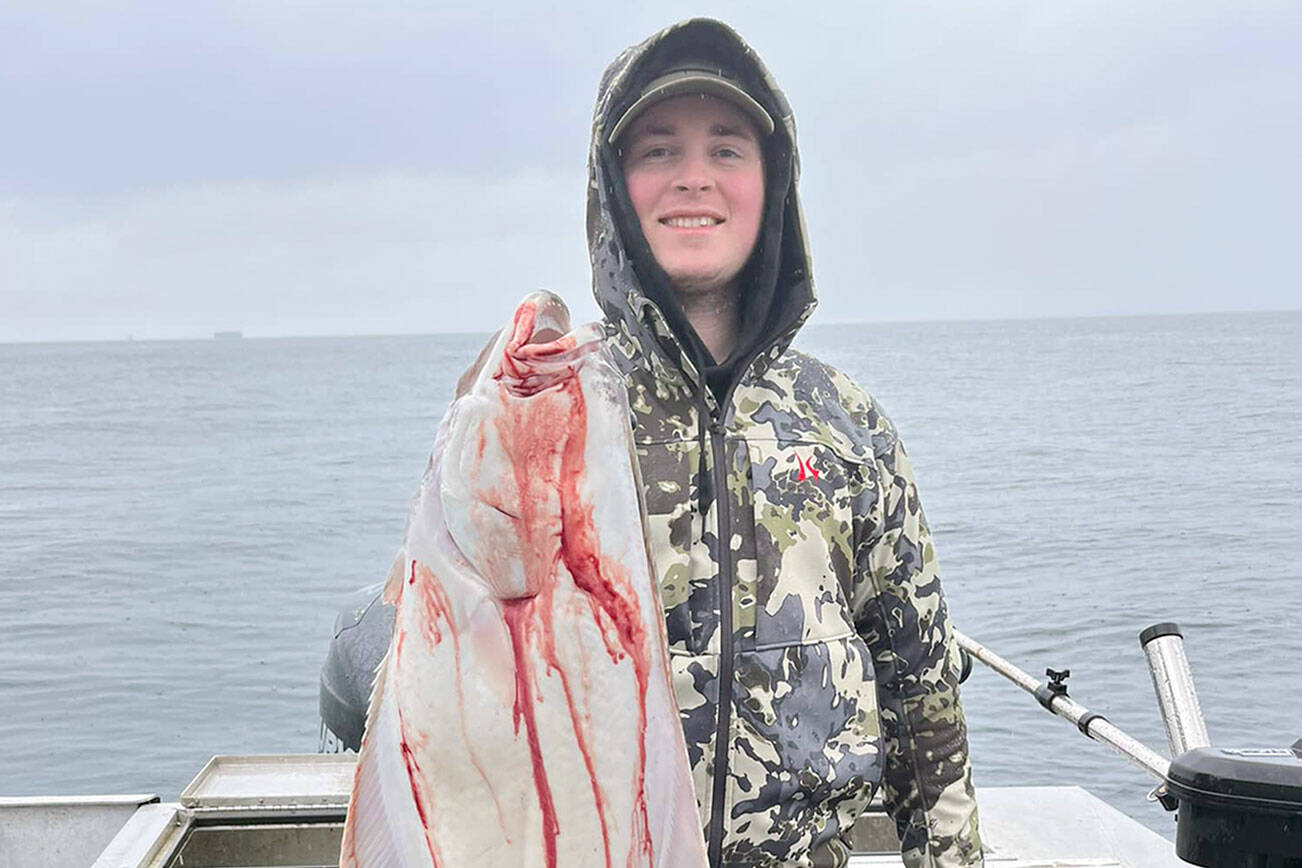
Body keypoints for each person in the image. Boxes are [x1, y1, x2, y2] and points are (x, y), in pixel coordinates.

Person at [585, 18, 983, 867]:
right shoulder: (552, 417)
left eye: (727, 150)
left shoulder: (848, 423)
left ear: (774, 183)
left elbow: (923, 696)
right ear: (613, 186)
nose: (693, 178)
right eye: (658, 150)